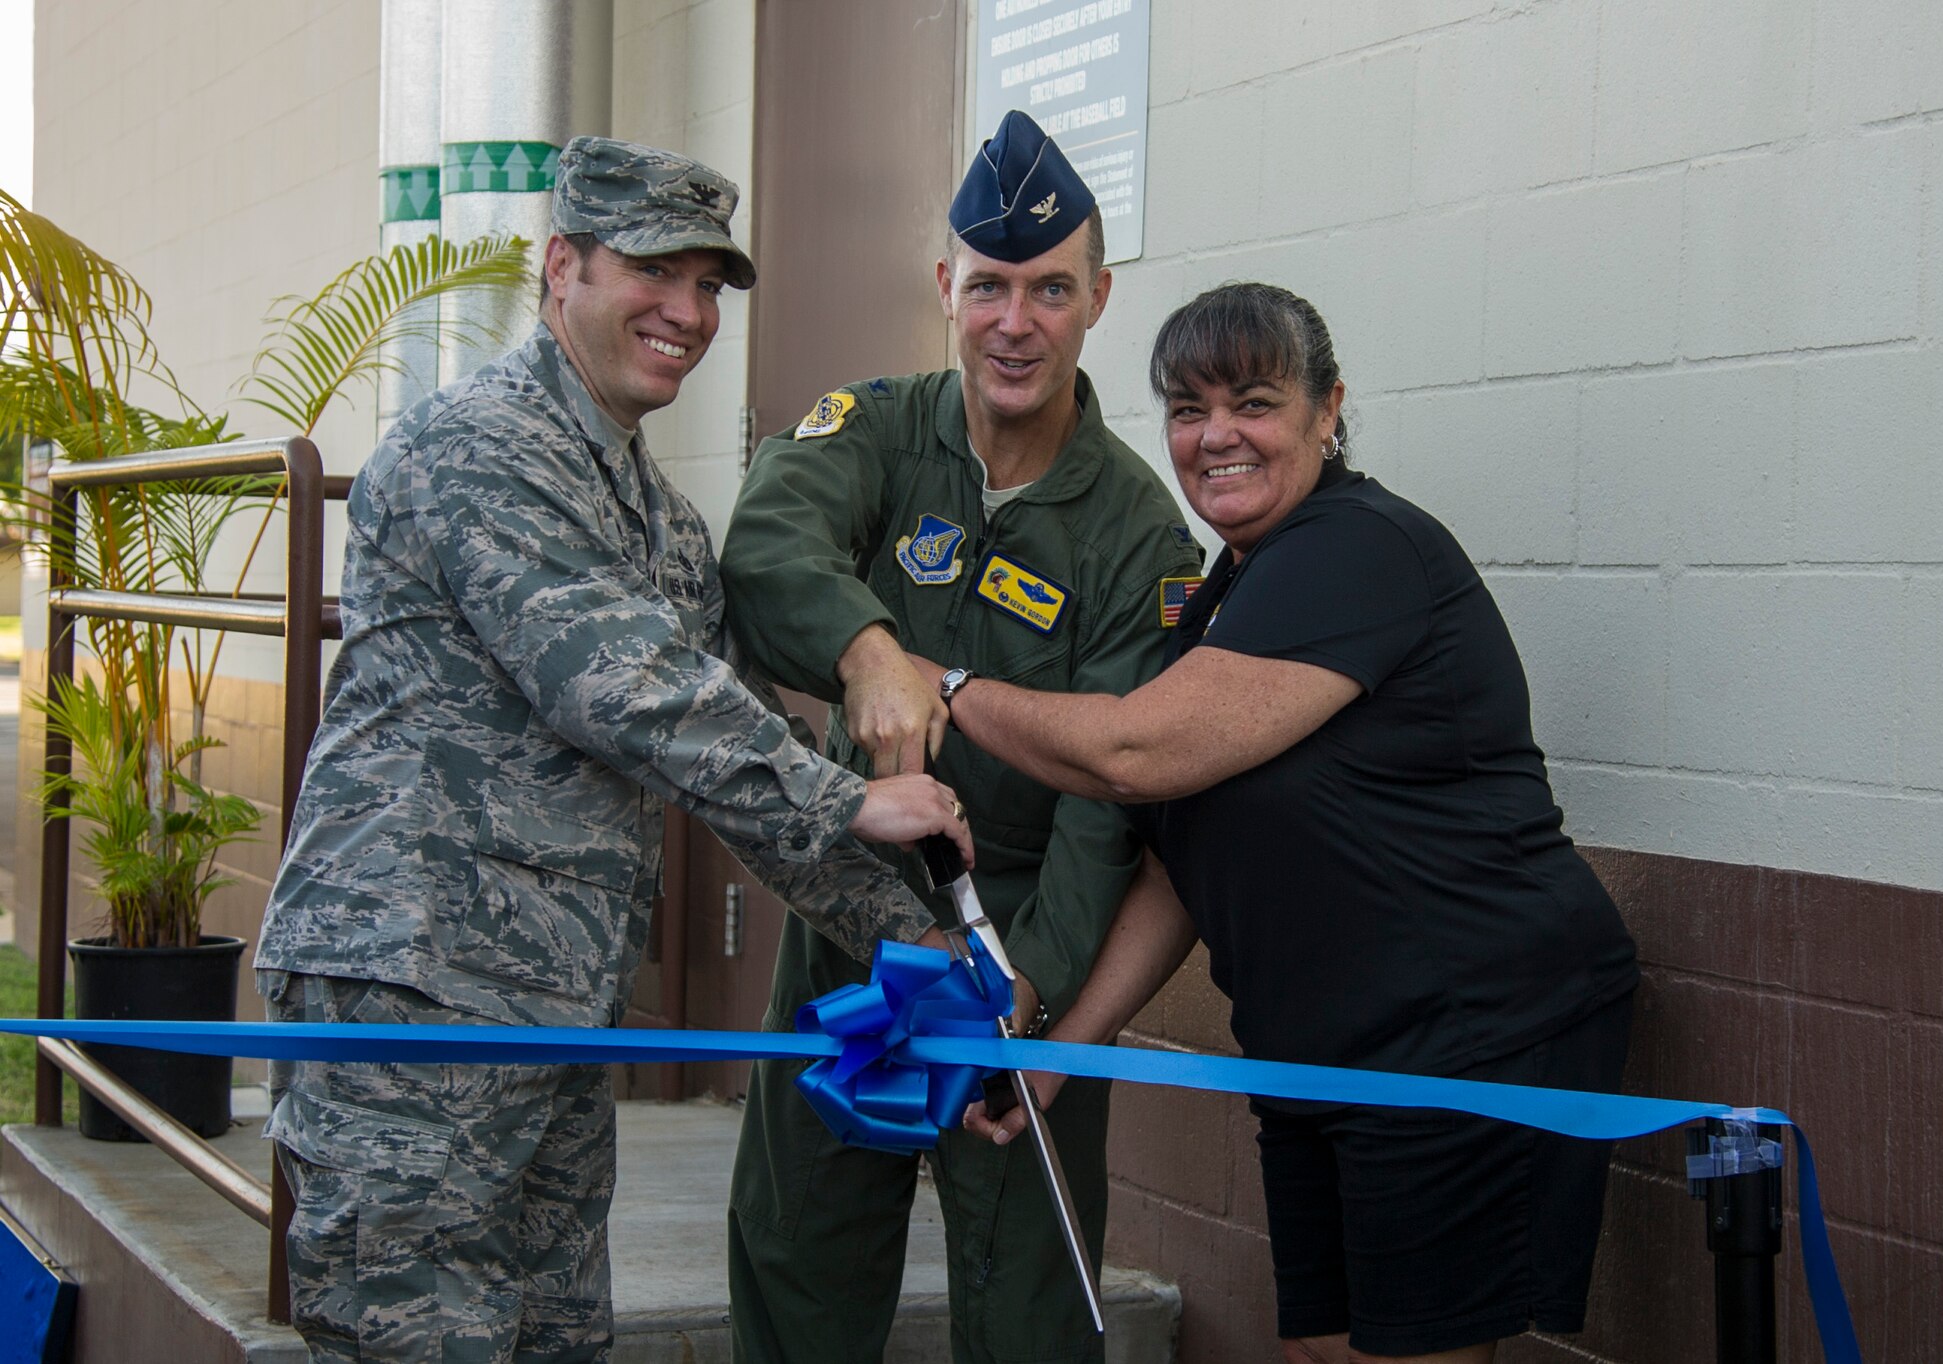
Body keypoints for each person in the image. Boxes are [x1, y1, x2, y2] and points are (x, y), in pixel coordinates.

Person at [253, 136, 972, 1364]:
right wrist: (843, 798)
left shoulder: (662, 523)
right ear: (561, 268)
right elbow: (616, 683)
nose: (687, 313)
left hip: (554, 1021)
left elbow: (749, 769)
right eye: (655, 271)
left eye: (709, 286)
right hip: (413, 999)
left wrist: (944, 962)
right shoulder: (476, 448)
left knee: (553, 1343)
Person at [935, 282, 1642, 1364]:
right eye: (1185, 407)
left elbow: (1131, 753)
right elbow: (1181, 863)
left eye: (1253, 402)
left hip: (1462, 1030)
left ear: (1327, 409)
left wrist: (933, 682)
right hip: (1324, 1046)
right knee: (1317, 1345)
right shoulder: (1229, 590)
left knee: (1401, 1357)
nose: (1214, 434)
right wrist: (1059, 1054)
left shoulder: (1355, 548)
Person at [719, 110, 1203, 1364]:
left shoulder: (1137, 533)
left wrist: (1029, 983)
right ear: (945, 287)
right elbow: (766, 547)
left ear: (1097, 297)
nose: (1014, 320)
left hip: (1019, 946)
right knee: (799, 1256)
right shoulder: (876, 427)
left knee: (1028, 1298)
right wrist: (868, 648)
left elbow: (1113, 789)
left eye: (1049, 288)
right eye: (987, 285)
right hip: (846, 921)